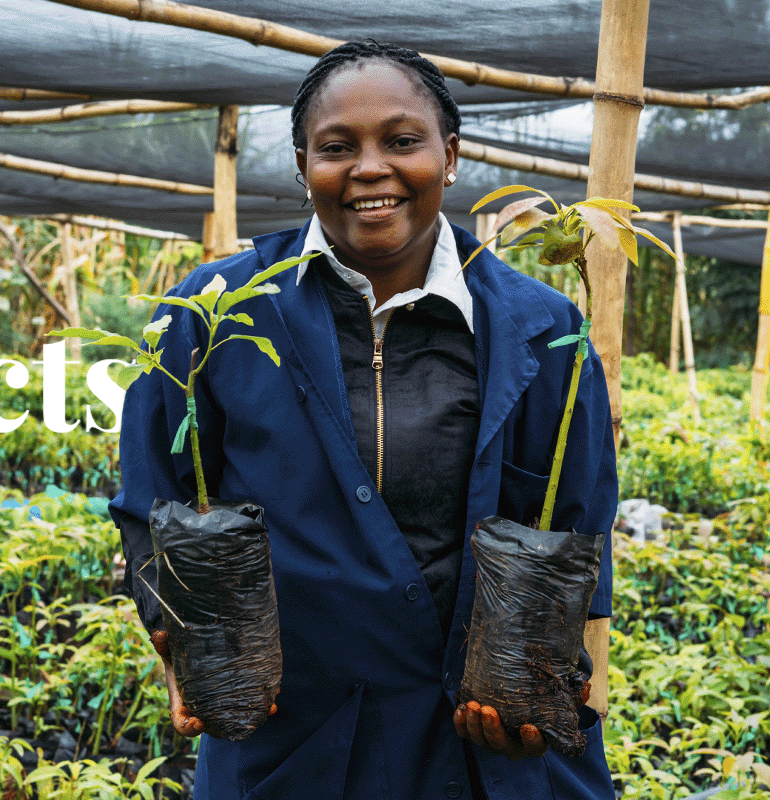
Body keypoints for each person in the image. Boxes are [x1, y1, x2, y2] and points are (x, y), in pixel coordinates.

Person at [109, 40, 616, 800]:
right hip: (290, 736)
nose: (369, 168)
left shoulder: (541, 329)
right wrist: (187, 654)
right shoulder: (214, 311)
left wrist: (566, 689)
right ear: (302, 163)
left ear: (449, 155)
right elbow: (150, 501)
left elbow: (580, 531)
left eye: (402, 141)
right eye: (337, 147)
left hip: (480, 742)